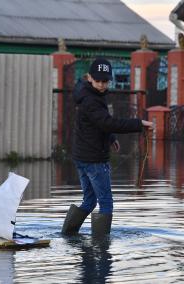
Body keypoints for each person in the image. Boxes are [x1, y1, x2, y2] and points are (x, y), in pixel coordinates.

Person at [61, 58, 153, 237]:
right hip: (94, 160)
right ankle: (101, 246)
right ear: (89, 78)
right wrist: (139, 123)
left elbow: (97, 124)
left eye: (105, 81)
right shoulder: (91, 100)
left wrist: (110, 138)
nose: (102, 85)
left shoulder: (86, 94)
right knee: (106, 203)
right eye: (98, 81)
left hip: (82, 157)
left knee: (89, 201)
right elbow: (107, 122)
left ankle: (67, 235)